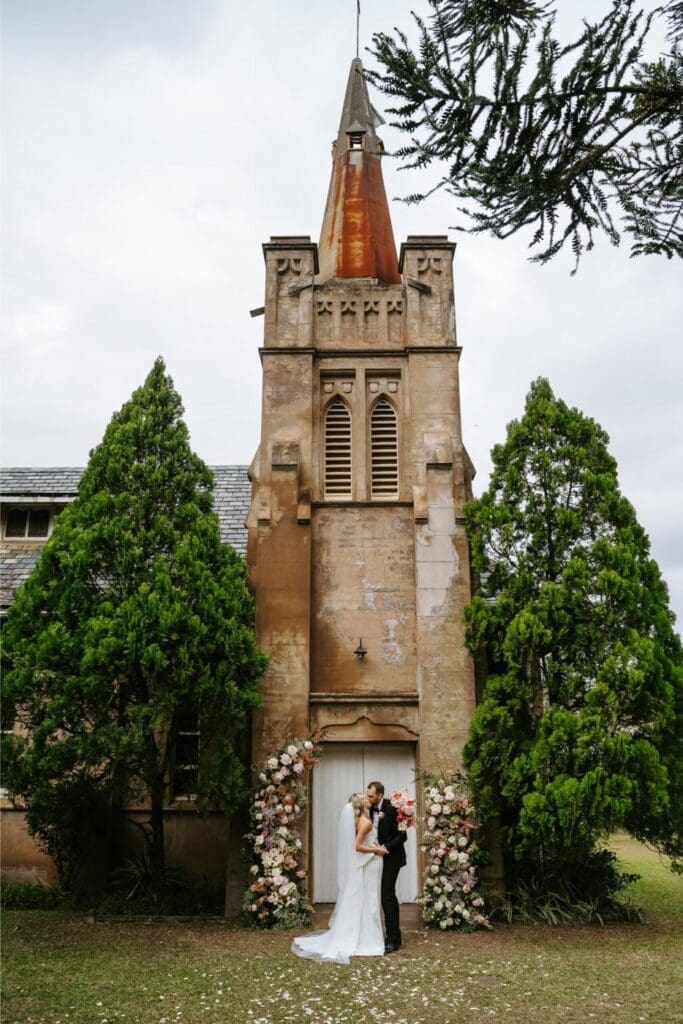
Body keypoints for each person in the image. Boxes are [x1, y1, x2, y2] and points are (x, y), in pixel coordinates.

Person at [291, 793, 385, 964]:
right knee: (369, 900)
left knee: (363, 900)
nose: (368, 800)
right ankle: (367, 940)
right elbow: (357, 846)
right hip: (370, 863)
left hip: (366, 865)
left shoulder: (360, 821)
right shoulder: (366, 822)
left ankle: (362, 935)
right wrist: (376, 850)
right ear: (360, 805)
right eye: (365, 798)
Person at [367, 780, 407, 953]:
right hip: (375, 859)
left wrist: (385, 848)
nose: (368, 798)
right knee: (381, 896)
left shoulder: (392, 809)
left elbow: (402, 836)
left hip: (392, 858)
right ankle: (389, 935)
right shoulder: (369, 809)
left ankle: (393, 939)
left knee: (387, 896)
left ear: (380, 796)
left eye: (371, 795)